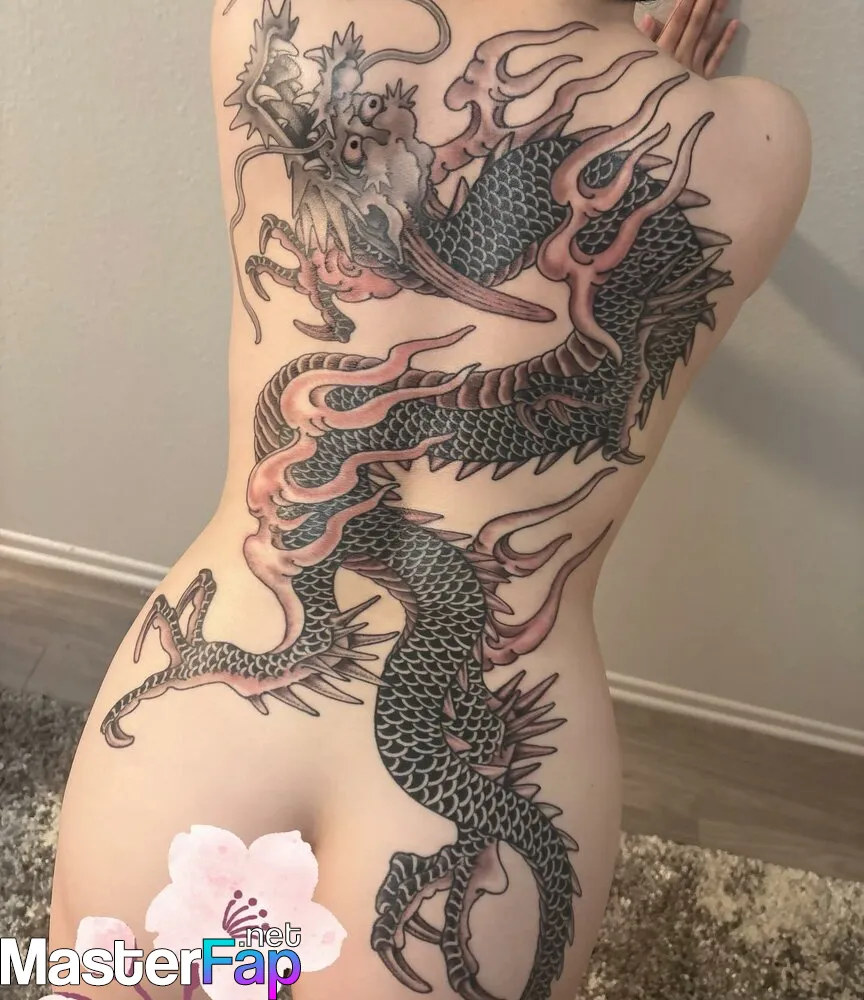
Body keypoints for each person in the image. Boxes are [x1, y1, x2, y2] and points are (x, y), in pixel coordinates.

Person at [49, 0, 810, 997]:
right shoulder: (755, 140)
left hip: (195, 726)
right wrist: (661, 105)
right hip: (484, 714)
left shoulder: (272, 22)